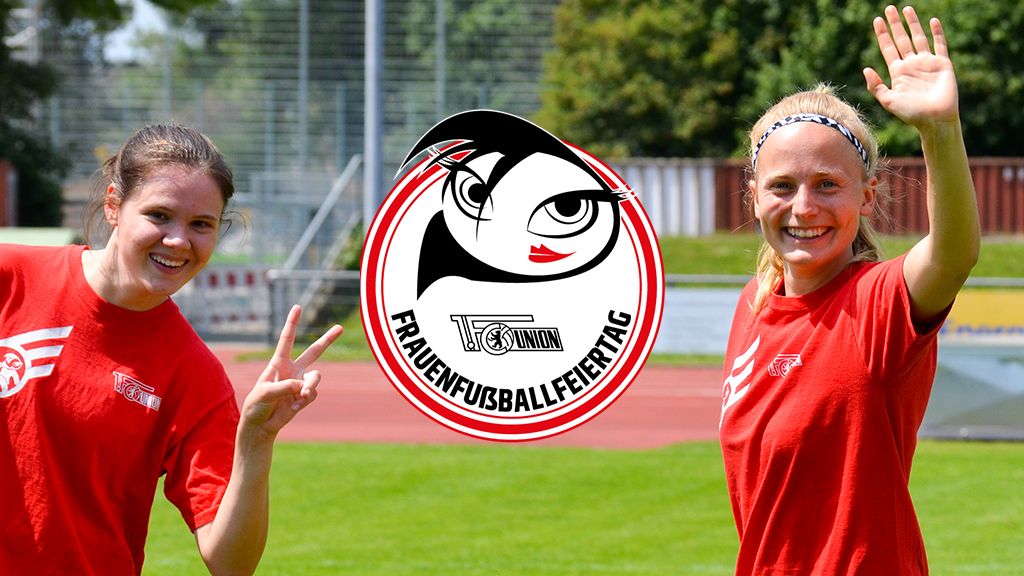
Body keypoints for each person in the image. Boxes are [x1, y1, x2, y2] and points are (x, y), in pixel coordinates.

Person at [0, 124, 343, 575]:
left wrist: (256, 443)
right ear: (113, 206)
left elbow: (230, 561)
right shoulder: (12, 278)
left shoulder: (193, 375)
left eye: (201, 224)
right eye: (159, 215)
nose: (178, 240)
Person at [718, 5, 978, 575]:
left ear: (866, 196)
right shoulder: (752, 305)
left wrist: (940, 131)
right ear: (754, 197)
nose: (804, 207)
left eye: (828, 185)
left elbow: (954, 253)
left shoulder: (875, 303)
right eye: (782, 186)